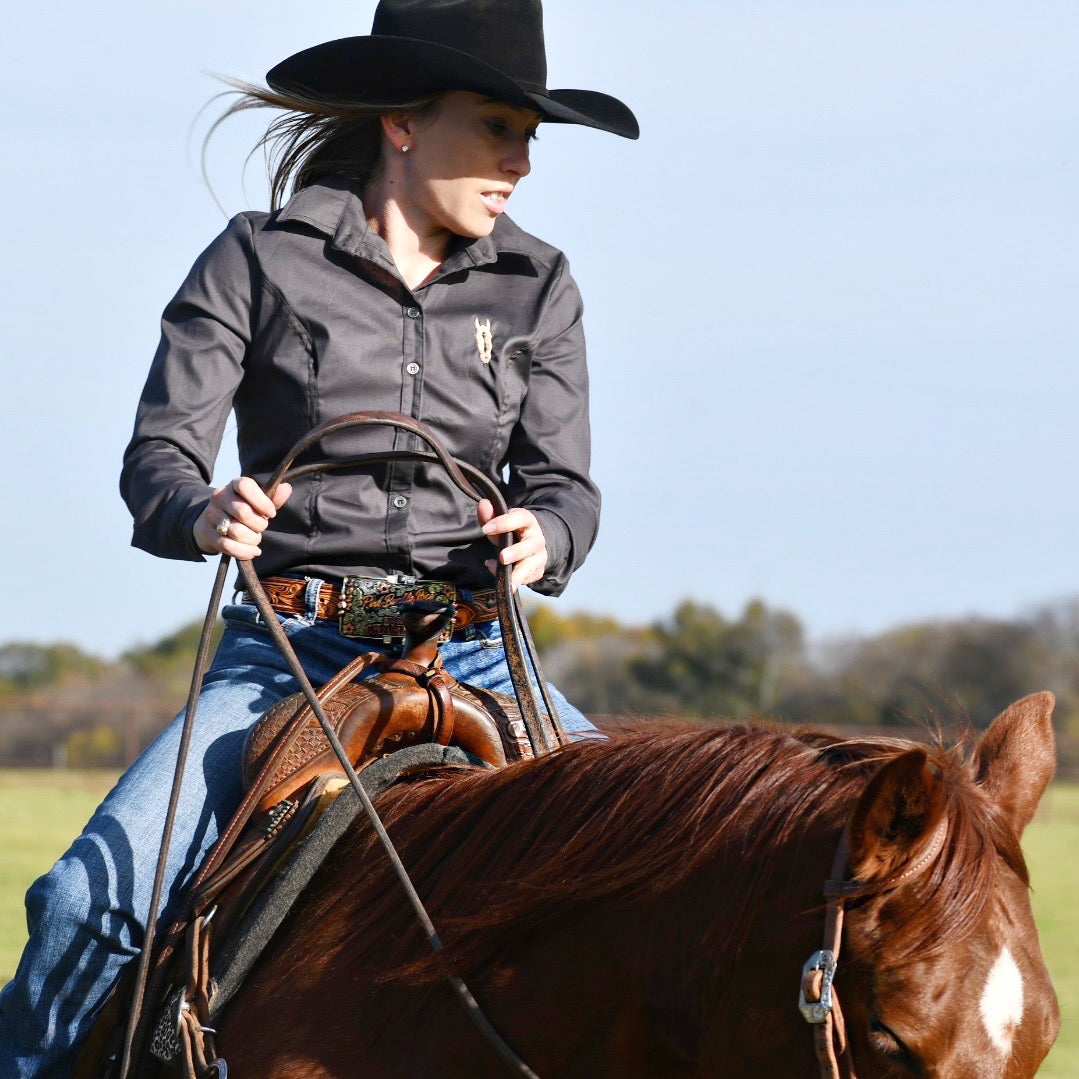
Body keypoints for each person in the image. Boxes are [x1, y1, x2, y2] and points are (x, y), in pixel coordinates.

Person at [0, 1, 638, 1075]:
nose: (520, 161)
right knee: (78, 906)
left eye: (530, 136)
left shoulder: (541, 285)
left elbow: (567, 486)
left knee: (654, 877)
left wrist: (548, 533)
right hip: (290, 651)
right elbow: (156, 459)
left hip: (480, 647)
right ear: (401, 121)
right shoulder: (255, 259)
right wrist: (201, 510)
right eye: (495, 126)